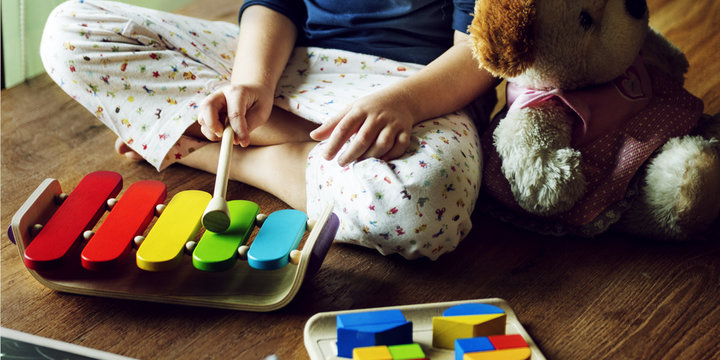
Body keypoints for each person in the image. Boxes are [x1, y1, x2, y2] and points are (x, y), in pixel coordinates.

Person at [40, 0, 498, 260]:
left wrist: (405, 102)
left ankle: (205, 148)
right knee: (69, 30)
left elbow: (482, 50)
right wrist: (252, 81)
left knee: (421, 200)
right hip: (294, 61)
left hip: (417, 87)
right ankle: (271, 129)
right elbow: (274, 4)